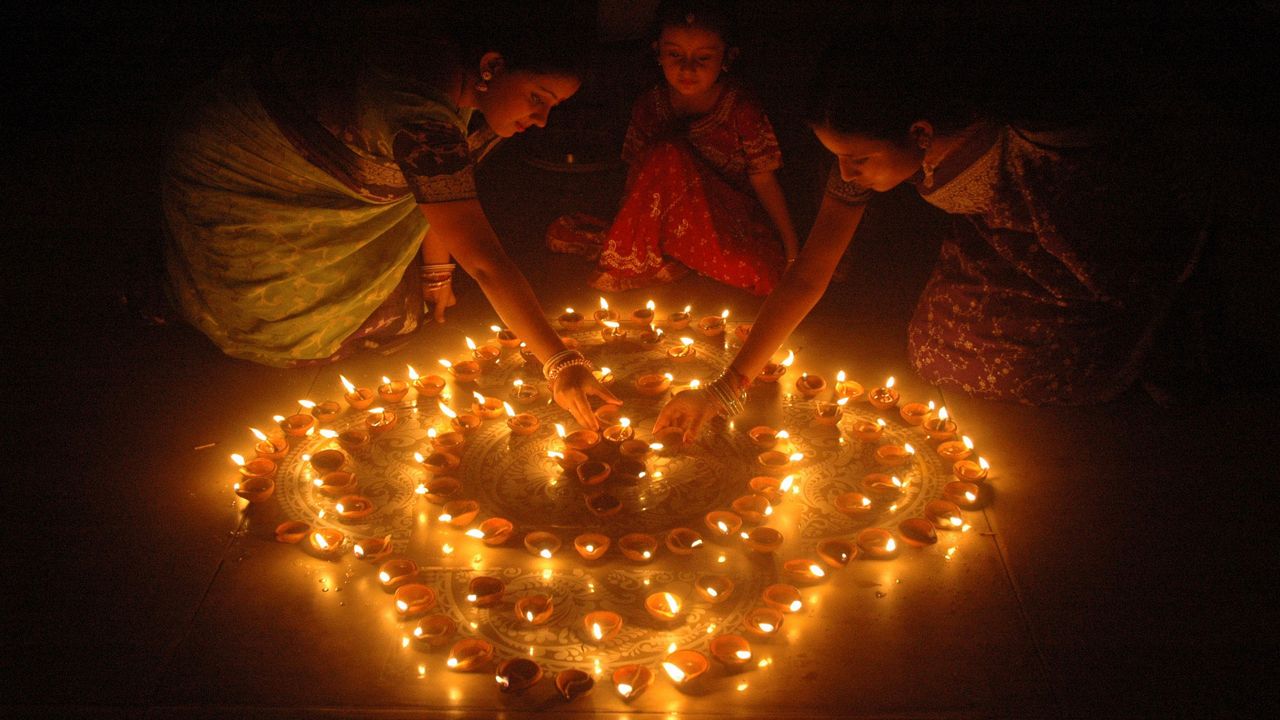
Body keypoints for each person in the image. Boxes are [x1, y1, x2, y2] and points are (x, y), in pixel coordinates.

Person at [655, 32, 1208, 439]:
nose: (846, 174)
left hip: (1094, 256)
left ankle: (1152, 345)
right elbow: (809, 273)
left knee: (1068, 353)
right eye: (836, 158)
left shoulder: (1029, 132)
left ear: (919, 132)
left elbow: (1130, 198)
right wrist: (727, 387)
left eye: (858, 158)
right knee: (937, 347)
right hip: (999, 248)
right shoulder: (868, 159)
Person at [162, 4, 617, 427]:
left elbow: (437, 190)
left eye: (552, 106)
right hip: (246, 184)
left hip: (324, 179)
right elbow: (481, 257)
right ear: (493, 66)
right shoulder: (413, 106)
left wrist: (437, 273)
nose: (540, 119)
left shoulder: (456, 79)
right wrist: (562, 363)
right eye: (538, 97)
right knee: (297, 330)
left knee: (404, 314)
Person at [546, 0, 799, 296]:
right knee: (665, 154)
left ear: (727, 57)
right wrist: (631, 233)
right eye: (675, 54)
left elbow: (763, 178)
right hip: (664, 224)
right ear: (658, 53)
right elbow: (638, 180)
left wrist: (793, 250)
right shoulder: (650, 106)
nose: (687, 68)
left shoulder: (740, 109)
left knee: (758, 270)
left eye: (702, 58)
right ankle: (667, 254)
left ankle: (679, 257)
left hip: (720, 225)